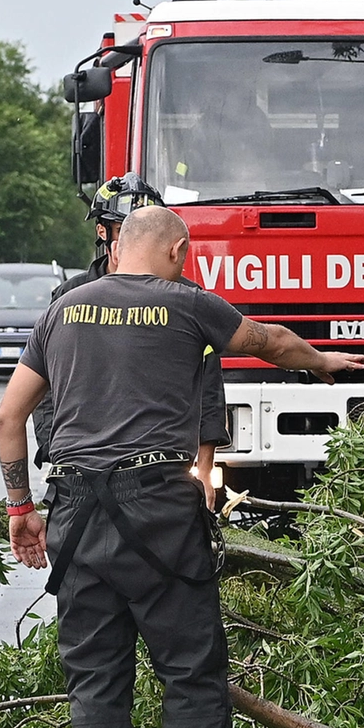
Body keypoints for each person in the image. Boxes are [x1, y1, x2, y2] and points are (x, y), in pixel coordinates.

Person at [0, 206, 364, 728]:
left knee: (97, 688)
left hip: (75, 513)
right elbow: (271, 341)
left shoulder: (63, 312)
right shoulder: (187, 304)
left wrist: (21, 506)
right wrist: (321, 361)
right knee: (191, 682)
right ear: (176, 249)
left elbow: (9, 414)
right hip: (159, 510)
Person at [37, 175, 230, 507]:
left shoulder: (186, 300)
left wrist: (205, 469)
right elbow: (43, 389)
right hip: (81, 473)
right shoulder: (69, 297)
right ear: (103, 231)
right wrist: (57, 454)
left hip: (159, 478)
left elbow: (207, 388)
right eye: (125, 226)